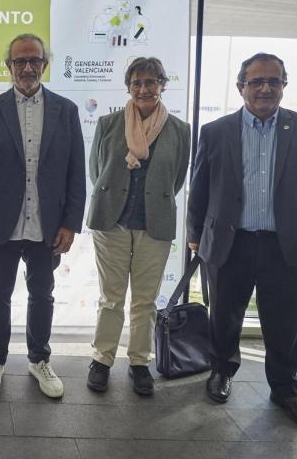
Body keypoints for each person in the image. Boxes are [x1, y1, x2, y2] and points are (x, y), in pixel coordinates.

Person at [186, 52, 297, 430]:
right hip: (228, 245)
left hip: (286, 247)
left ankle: (286, 389)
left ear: (284, 85)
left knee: (285, 323)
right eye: (257, 82)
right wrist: (194, 237)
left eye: (274, 81)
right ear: (241, 88)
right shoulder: (215, 131)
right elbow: (200, 189)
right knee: (224, 316)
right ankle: (222, 371)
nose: (266, 88)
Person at [0, 33, 86, 399]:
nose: (28, 67)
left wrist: (70, 223)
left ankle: (39, 359)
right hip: (2, 223)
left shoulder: (67, 111)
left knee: (42, 294)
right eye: (20, 61)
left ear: (45, 65)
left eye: (34, 60)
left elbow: (76, 172)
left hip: (47, 223)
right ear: (9, 67)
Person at [85, 57, 190, 395]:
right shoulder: (108, 123)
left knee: (145, 301)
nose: (144, 89)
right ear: (128, 86)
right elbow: (97, 171)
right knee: (111, 298)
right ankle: (102, 360)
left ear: (162, 84)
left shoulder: (180, 130)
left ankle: (139, 362)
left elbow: (175, 179)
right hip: (111, 222)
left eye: (150, 82)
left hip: (153, 225)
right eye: (137, 83)